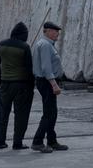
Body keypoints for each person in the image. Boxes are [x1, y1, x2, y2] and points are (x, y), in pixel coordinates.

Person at [0, 22, 34, 150]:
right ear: (23, 35)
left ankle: (1, 141)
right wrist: (31, 86)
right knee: (21, 114)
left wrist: (1, 80)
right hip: (21, 85)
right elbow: (29, 69)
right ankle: (17, 143)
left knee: (3, 113)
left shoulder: (1, 44)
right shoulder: (25, 47)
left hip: (5, 84)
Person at [31, 22, 67, 153]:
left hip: (45, 81)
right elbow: (46, 67)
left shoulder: (45, 44)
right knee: (49, 114)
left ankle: (52, 140)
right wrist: (54, 84)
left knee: (52, 113)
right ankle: (37, 141)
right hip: (47, 82)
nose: (57, 34)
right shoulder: (45, 45)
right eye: (55, 31)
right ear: (48, 31)